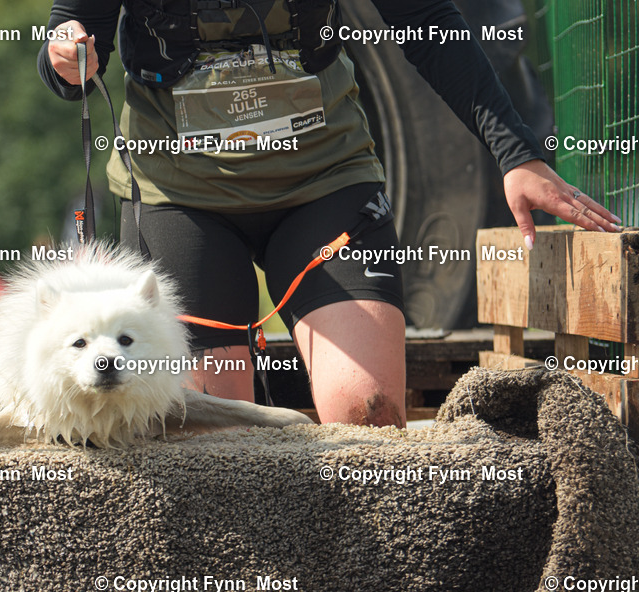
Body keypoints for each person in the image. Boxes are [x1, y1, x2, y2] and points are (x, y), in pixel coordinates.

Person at [37, 0, 621, 428]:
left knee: (369, 415)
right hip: (179, 195)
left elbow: (428, 23)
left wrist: (517, 155)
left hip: (325, 180)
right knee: (203, 437)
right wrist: (66, 54)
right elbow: (71, 40)